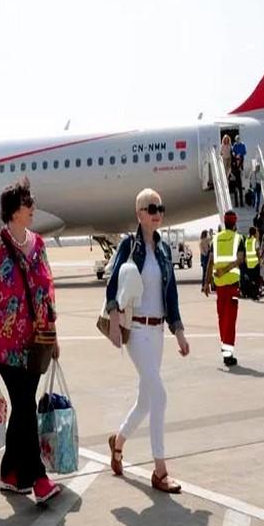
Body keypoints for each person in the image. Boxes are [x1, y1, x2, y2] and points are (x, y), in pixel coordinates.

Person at [0, 178, 62, 504]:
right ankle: (37, 478)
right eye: (29, 204)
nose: (33, 208)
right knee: (25, 406)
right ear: (14, 211)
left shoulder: (39, 244)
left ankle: (10, 474)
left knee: (22, 408)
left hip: (36, 343)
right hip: (5, 346)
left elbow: (47, 293)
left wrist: (53, 335)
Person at [106, 189, 189, 494]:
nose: (157, 212)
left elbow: (171, 296)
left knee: (145, 401)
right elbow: (113, 284)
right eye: (151, 208)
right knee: (160, 397)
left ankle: (118, 442)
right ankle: (160, 470)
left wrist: (178, 331)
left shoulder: (165, 250)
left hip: (157, 333)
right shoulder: (130, 245)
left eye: (160, 207)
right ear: (139, 213)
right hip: (137, 331)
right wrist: (114, 322)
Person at [203, 210, 245, 366]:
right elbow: (240, 260)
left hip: (219, 287)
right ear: (234, 223)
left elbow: (210, 262)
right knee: (230, 320)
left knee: (222, 319)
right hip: (232, 286)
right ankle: (228, 354)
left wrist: (206, 283)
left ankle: (225, 348)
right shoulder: (239, 238)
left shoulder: (215, 239)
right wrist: (226, 270)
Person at [243, 226, 261, 299]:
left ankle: (250, 293)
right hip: (255, 263)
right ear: (254, 233)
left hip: (249, 263)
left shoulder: (247, 241)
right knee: (256, 280)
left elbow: (245, 252)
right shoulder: (255, 241)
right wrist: (260, 260)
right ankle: (255, 294)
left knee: (250, 280)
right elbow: (257, 252)